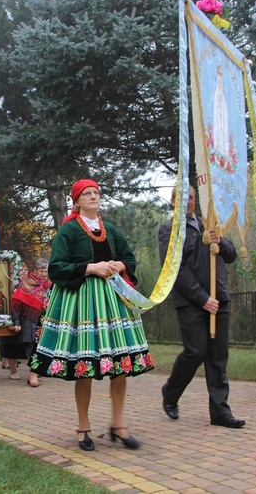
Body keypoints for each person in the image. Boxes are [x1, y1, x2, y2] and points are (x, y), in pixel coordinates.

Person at [30, 179, 153, 451]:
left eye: (96, 193)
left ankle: (118, 425)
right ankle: (83, 426)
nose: (93, 197)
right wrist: (90, 268)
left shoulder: (110, 230)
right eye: (87, 194)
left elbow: (130, 259)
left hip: (113, 304)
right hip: (82, 305)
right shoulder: (70, 230)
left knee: (119, 364)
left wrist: (120, 264)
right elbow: (57, 268)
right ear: (76, 201)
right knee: (84, 364)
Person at [158, 185, 244, 428]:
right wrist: (202, 298)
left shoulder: (210, 224)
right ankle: (171, 393)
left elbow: (231, 255)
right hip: (191, 302)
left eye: (192, 197)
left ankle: (220, 412)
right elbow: (175, 269)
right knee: (196, 351)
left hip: (219, 299)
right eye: (182, 198)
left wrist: (221, 241)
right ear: (173, 201)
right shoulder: (169, 230)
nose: (188, 202)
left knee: (218, 356)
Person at [4, 258, 51, 387]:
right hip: (28, 321)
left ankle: (35, 372)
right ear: (35, 271)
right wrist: (16, 322)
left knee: (41, 348)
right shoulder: (25, 284)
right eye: (41, 271)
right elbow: (16, 305)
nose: (44, 274)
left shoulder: (49, 285)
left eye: (46, 271)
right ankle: (33, 375)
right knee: (31, 348)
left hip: (44, 320)